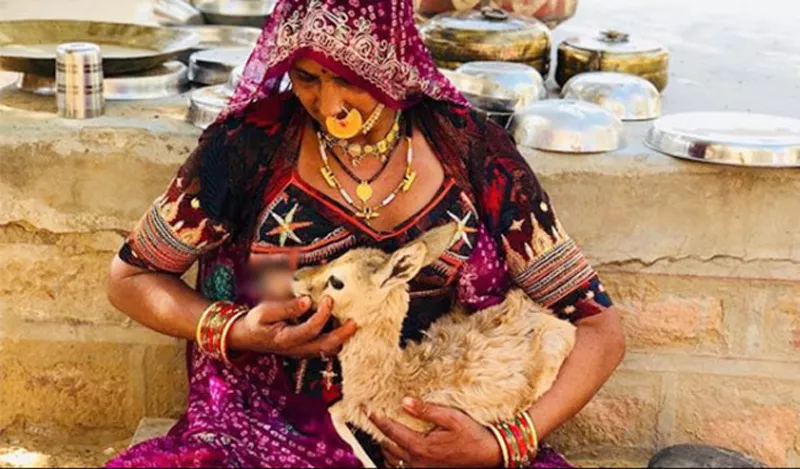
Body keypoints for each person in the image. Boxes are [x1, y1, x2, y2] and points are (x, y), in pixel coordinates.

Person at [105, 0, 626, 467]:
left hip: (436, 439)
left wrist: (502, 445)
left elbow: (600, 328)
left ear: (393, 60)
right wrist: (237, 330)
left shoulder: (472, 152)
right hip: (260, 434)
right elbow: (130, 276)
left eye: (350, 78)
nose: (329, 106)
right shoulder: (246, 148)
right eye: (307, 78)